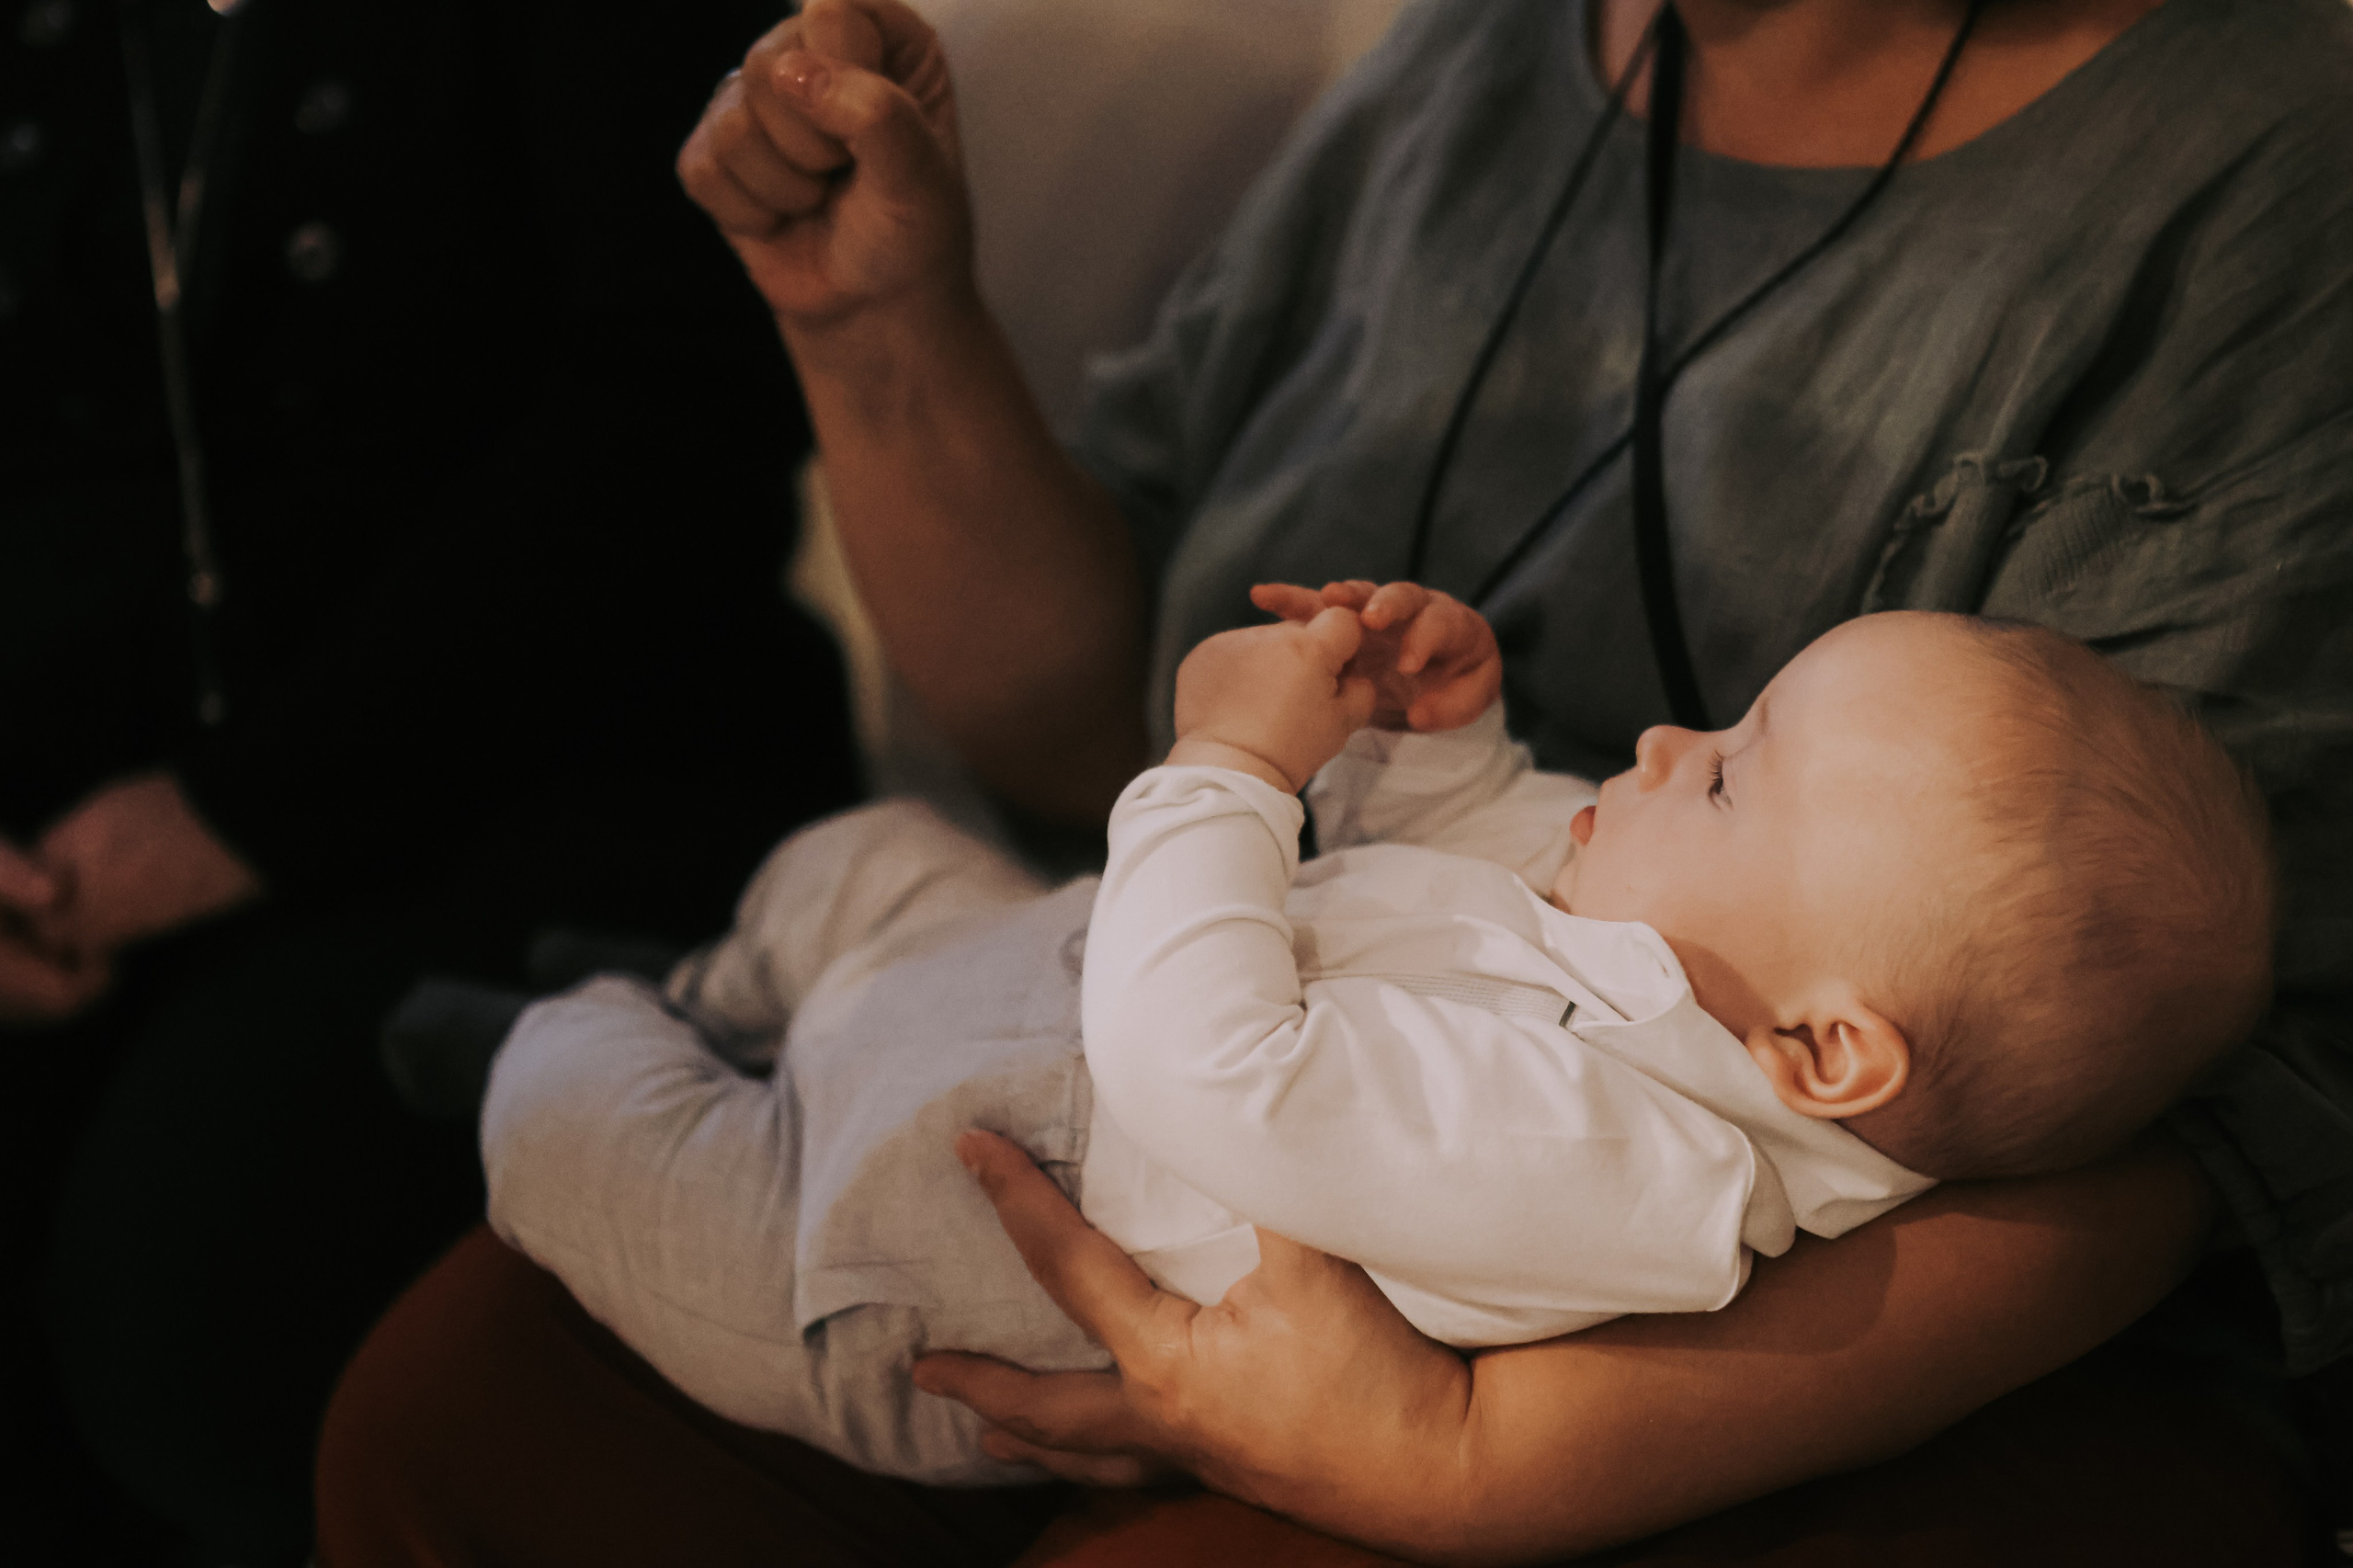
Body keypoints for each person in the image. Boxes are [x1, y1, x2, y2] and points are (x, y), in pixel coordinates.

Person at [315, 0, 2353, 1562]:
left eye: (1723, 767)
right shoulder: (1482, 59)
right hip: (1189, 1029)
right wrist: (875, 326)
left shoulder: (2267, 183)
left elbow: (2184, 1109)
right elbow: (1076, 724)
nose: (1664, 748)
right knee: (451, 1420)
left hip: (1748, 1357)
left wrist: (1475, 1464)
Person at [476, 587, 2272, 1486]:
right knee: (854, 866)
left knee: (549, 1112)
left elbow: (1221, 1072)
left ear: (1826, 1057)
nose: (1655, 742)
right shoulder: (1676, 976)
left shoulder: (1627, 1161)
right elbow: (1472, 879)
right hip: (1012, 988)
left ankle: (595, 1026)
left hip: (902, 1228)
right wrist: (1444, 750)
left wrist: (1233, 773)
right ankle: (715, 992)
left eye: (1721, 774)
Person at [0, 1, 858, 1562]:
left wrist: (240, 812)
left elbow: (679, 432)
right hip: (70, 832)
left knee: (197, 1304)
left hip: (568, 775)